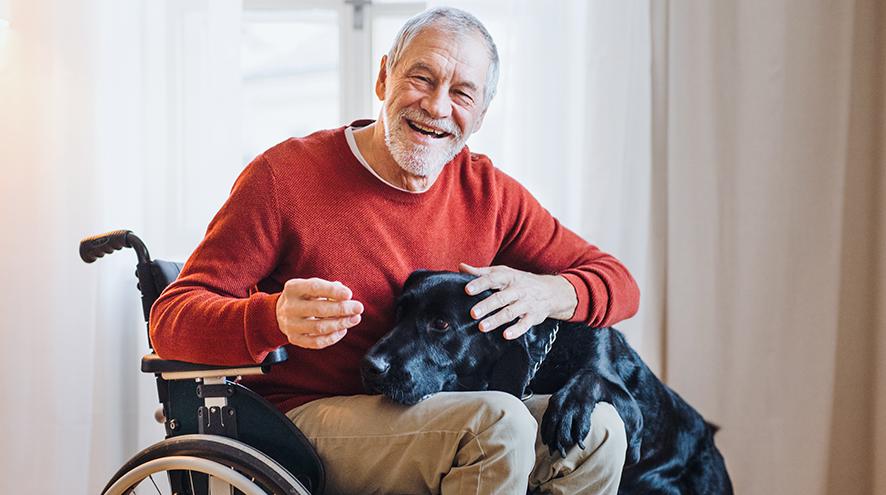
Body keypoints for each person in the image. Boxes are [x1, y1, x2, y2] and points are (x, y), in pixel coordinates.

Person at [151, 7, 639, 494]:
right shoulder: (284, 177)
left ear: (482, 114)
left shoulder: (489, 193)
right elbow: (171, 318)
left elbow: (618, 282)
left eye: (462, 93)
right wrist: (272, 316)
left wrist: (546, 292)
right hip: (301, 422)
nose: (437, 106)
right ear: (384, 77)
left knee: (598, 433)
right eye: (421, 78)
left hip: (428, 409)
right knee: (499, 423)